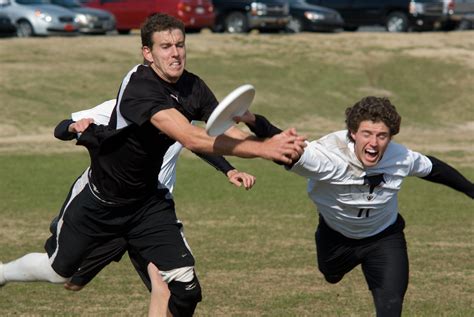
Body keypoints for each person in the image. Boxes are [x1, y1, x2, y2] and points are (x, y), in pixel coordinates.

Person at [1, 13, 305, 317]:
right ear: (148, 53)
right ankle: (3, 273)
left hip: (147, 203)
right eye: (165, 47)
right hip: (100, 201)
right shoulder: (139, 87)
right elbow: (190, 137)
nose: (175, 53)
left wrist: (269, 137)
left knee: (185, 289)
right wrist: (264, 149)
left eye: (180, 45)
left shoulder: (193, 87)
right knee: (60, 274)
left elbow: (226, 132)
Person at [235, 96, 474, 317]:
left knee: (391, 307)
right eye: (367, 134)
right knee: (331, 275)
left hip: (384, 237)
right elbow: (285, 147)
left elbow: (434, 168)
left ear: (390, 137)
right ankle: (335, 268)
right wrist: (253, 121)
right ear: (353, 133)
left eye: (382, 135)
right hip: (336, 237)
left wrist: (471, 190)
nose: (373, 143)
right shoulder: (329, 156)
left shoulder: (400, 157)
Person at [0, 97, 257, 293]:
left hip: (150, 214)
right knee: (66, 279)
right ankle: (7, 270)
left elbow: (196, 143)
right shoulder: (118, 107)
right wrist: (73, 127)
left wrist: (229, 170)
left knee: (168, 287)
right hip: (108, 209)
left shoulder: (178, 115)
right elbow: (60, 128)